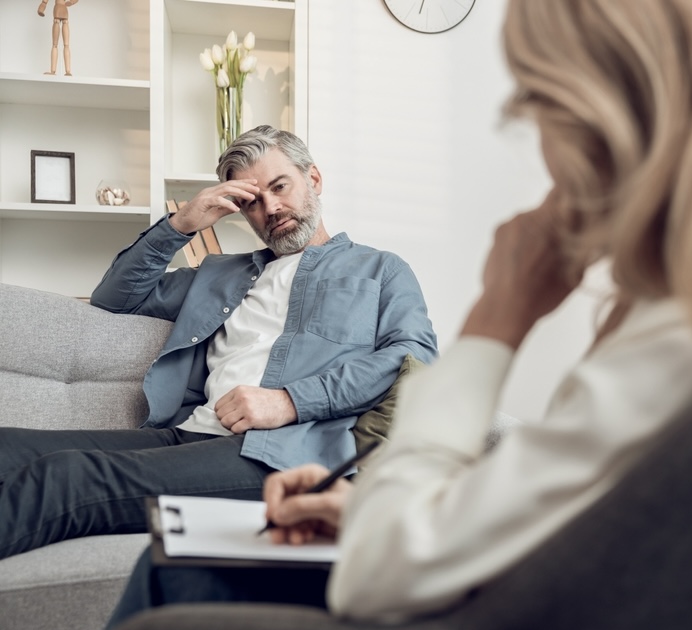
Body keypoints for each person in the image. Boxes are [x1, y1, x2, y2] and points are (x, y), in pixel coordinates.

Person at [89, 0, 692, 630]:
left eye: (544, 108)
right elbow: (605, 509)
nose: (544, 151)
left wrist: (496, 324)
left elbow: (388, 554)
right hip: (506, 580)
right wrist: (375, 509)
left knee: (161, 578)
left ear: (629, 116)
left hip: (475, 625)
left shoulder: (691, 331)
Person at [0, 124, 438, 560]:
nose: (271, 207)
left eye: (280, 186)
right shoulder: (220, 272)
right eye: (251, 202)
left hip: (277, 457)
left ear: (314, 179)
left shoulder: (380, 270)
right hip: (187, 434)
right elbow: (114, 298)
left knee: (66, 477)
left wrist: (289, 401)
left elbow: (412, 357)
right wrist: (182, 223)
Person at [37, 0, 77, 76]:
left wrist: (71, 2)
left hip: (63, 11)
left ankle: (67, 71)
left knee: (65, 44)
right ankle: (53, 71)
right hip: (58, 11)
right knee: (56, 44)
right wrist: (41, 8)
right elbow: (44, 2)